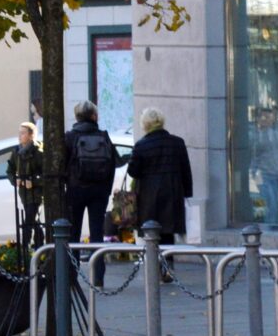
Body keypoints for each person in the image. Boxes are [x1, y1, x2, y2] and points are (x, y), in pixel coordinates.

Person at [61, 102, 119, 279]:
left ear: (77, 117)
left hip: (75, 190)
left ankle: (72, 275)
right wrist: (106, 190)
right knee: (97, 234)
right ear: (94, 116)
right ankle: (98, 276)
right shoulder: (103, 136)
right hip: (99, 192)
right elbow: (113, 163)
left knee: (73, 234)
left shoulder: (70, 137)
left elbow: (62, 164)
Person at [128, 109, 194, 245]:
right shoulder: (177, 143)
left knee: (151, 235)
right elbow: (186, 171)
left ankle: (154, 259)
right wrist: (187, 194)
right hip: (173, 196)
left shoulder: (141, 145)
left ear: (145, 125)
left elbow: (133, 171)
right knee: (168, 235)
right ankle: (168, 258)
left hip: (148, 199)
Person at [8, 122, 46, 251]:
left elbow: (46, 175)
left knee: (29, 220)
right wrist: (16, 180)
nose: (19, 135)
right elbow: (10, 171)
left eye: (23, 133)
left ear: (31, 135)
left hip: (36, 194)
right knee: (34, 221)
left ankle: (25, 247)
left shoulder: (38, 152)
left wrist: (34, 182)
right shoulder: (16, 151)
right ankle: (39, 248)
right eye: (19, 133)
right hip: (23, 193)